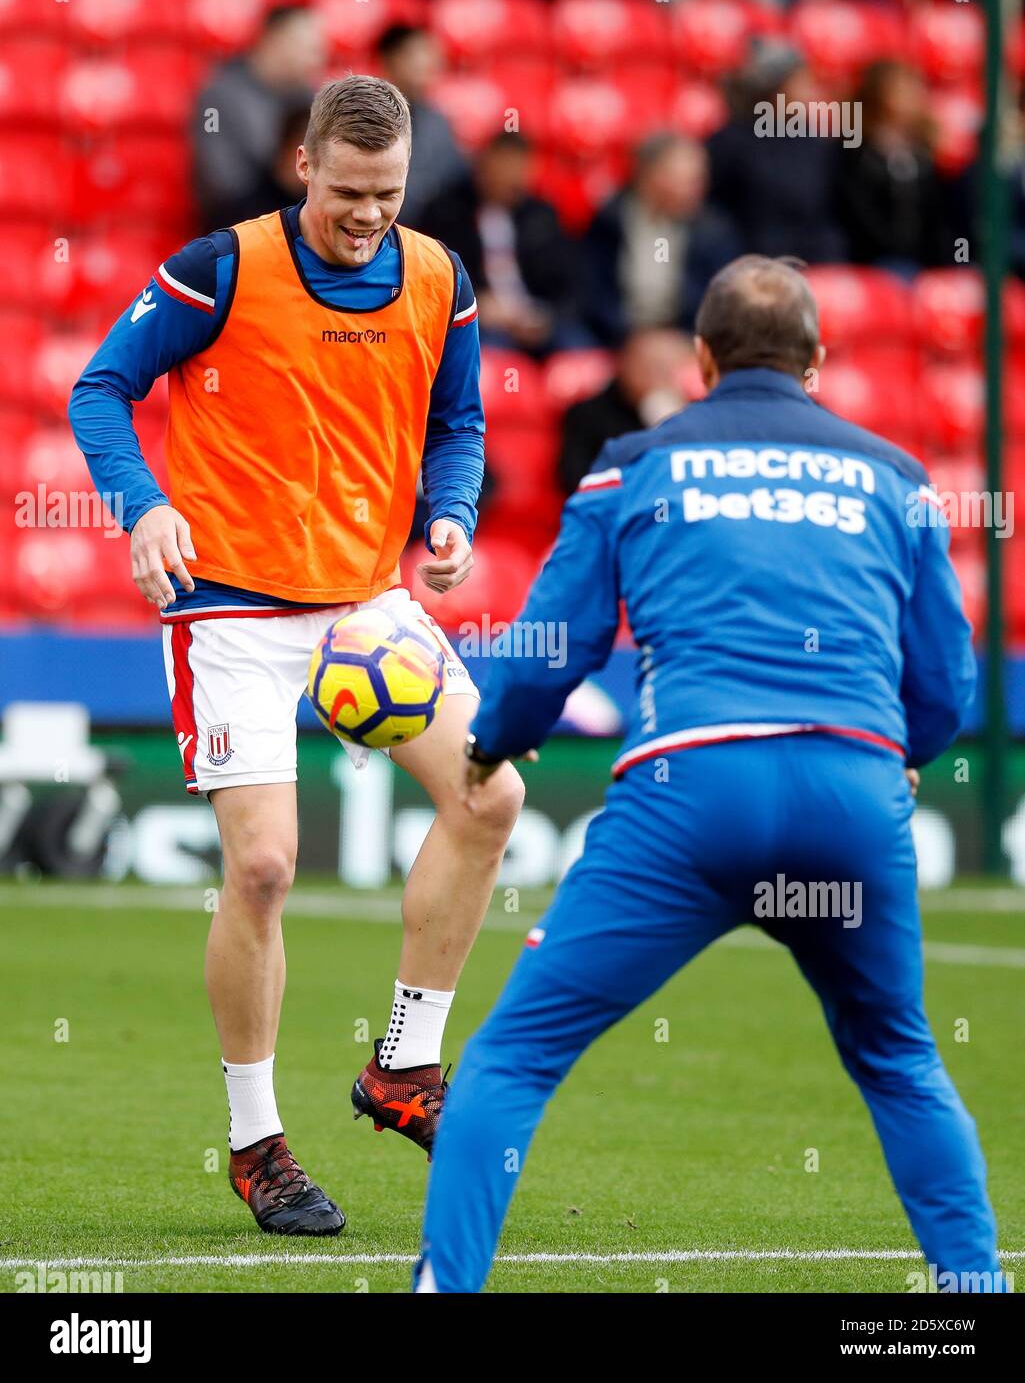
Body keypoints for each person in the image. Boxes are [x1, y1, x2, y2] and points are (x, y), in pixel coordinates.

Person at [414, 256, 1005, 1293]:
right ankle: (971, 1292)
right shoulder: (896, 478)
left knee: (508, 1062)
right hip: (849, 801)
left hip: (690, 802)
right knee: (900, 1061)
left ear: (697, 361)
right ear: (817, 364)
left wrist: (490, 743)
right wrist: (900, 756)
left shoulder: (627, 467)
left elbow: (553, 643)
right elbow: (946, 682)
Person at [69, 75, 524, 1238]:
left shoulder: (437, 276)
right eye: (348, 190)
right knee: (264, 868)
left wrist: (451, 511)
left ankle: (403, 1068)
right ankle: (257, 1143)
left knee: (493, 795)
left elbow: (458, 418)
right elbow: (102, 387)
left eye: (389, 191)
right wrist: (141, 506)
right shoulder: (222, 265)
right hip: (228, 606)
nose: (368, 212)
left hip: (368, 605)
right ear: (303, 166)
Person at [419, 131, 581, 354]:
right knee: (488, 352)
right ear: (483, 166)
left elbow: (567, 285)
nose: (513, 178)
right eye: (505, 168)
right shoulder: (447, 213)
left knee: (578, 348)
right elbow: (435, 279)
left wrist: (544, 315)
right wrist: (477, 303)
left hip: (536, 321)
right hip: (478, 319)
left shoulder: (542, 216)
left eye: (520, 170)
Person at [582, 134, 741, 346]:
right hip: (616, 339)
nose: (697, 190)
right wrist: (627, 339)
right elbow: (593, 293)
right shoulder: (609, 221)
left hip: (687, 338)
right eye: (687, 182)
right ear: (650, 176)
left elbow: (723, 301)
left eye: (700, 180)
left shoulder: (713, 230)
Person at [191, 2, 325, 233]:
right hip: (239, 232)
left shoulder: (310, 98)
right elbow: (219, 184)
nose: (317, 59)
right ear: (276, 40)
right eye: (309, 48)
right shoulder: (217, 100)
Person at [706, 45, 846, 264]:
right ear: (774, 90)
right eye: (800, 83)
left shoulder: (814, 143)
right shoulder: (730, 142)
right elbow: (718, 213)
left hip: (813, 259)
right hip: (752, 260)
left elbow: (826, 212)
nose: (810, 93)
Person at [837, 60, 951, 272]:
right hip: (872, 262)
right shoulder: (856, 152)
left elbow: (937, 218)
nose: (915, 96)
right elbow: (858, 215)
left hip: (922, 263)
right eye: (904, 89)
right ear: (879, 94)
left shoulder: (924, 153)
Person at [557, 328, 695, 495]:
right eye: (651, 368)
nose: (658, 379)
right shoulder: (586, 414)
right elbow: (575, 478)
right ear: (625, 364)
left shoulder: (692, 413)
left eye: (668, 371)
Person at [376, 22, 467, 230]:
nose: (427, 63)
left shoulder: (439, 122)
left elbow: (456, 179)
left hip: (431, 233)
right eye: (416, 53)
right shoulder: (365, 116)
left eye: (430, 54)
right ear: (391, 60)